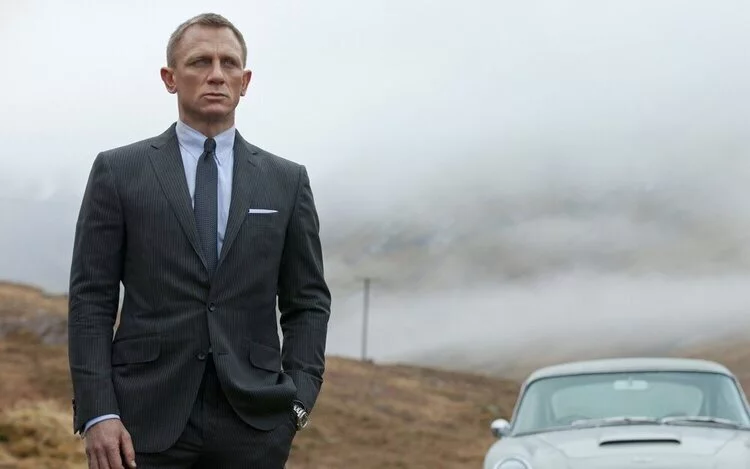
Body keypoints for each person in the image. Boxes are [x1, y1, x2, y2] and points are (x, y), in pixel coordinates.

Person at [67, 12, 331, 469]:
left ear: (245, 81)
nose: (216, 75)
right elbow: (91, 299)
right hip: (140, 423)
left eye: (229, 63)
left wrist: (297, 403)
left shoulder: (287, 181)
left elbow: (307, 301)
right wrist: (98, 412)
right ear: (170, 78)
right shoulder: (118, 171)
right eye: (199, 62)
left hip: (254, 425)